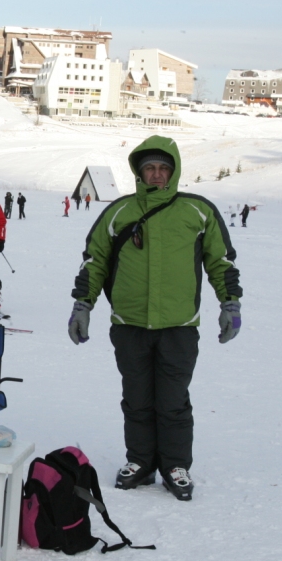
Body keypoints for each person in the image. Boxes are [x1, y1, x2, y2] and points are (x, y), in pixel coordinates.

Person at [67, 135, 243, 502]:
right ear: (139, 172)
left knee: (173, 400)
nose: (157, 174)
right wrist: (83, 305)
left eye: (164, 168)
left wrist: (230, 304)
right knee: (136, 398)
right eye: (150, 167)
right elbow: (94, 260)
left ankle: (175, 465)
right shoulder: (119, 212)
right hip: (129, 324)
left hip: (179, 326)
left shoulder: (197, 211)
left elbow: (220, 262)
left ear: (174, 171)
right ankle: (141, 462)